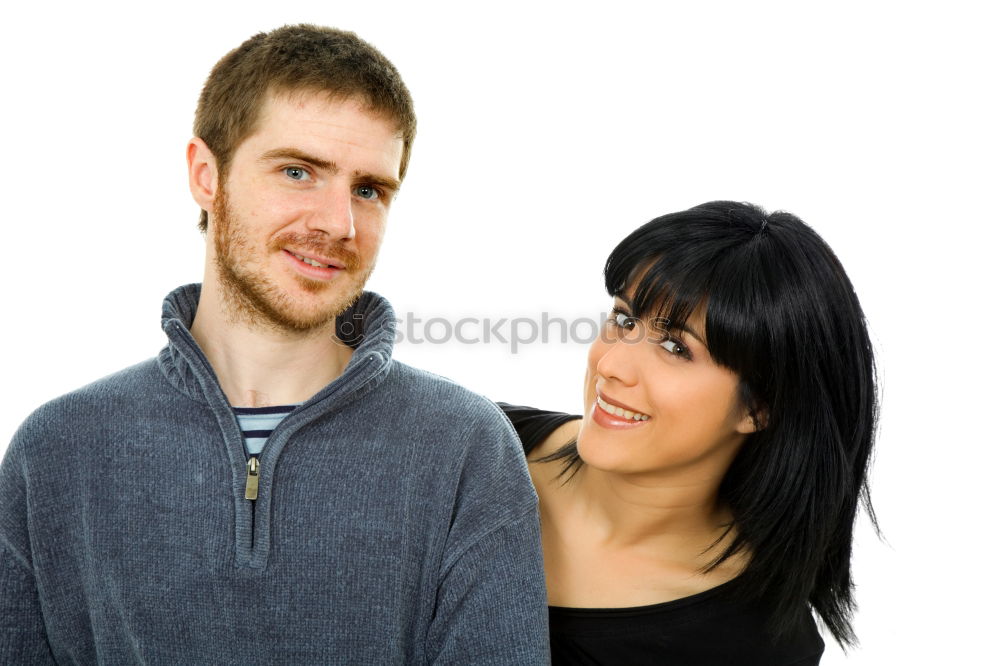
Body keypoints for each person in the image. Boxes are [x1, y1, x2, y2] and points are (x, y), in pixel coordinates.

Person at [0, 25, 548, 664]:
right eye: (298, 171)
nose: (338, 224)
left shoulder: (465, 447)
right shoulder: (57, 450)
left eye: (369, 189)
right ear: (207, 175)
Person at [500, 201, 878, 664]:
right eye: (623, 320)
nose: (611, 365)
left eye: (677, 347)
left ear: (760, 406)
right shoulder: (466, 445)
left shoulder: (756, 648)